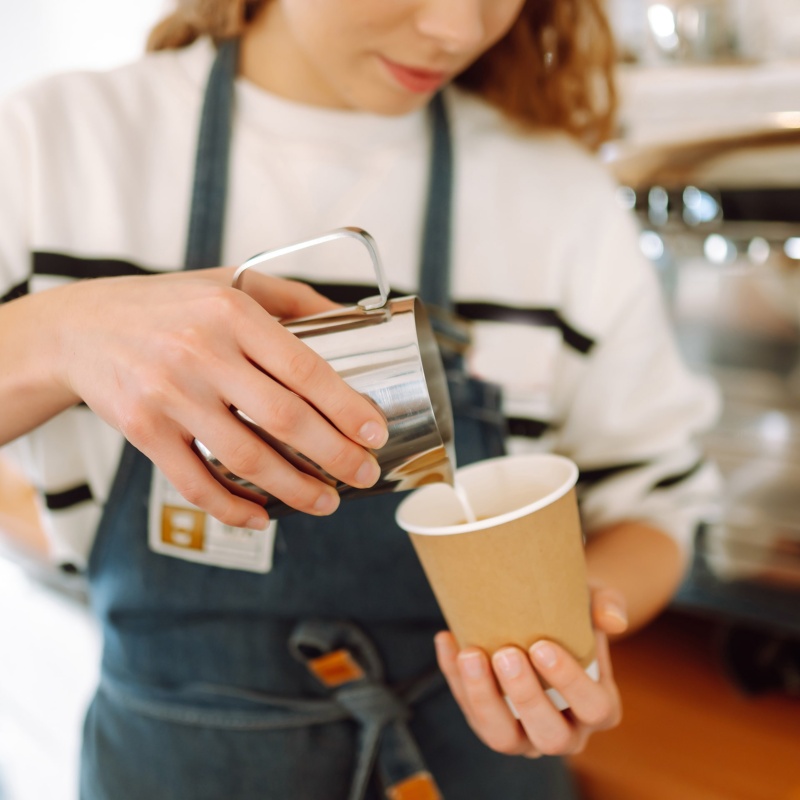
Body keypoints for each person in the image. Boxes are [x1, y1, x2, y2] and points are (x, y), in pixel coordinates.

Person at [0, 0, 721, 798]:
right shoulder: (49, 146)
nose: (457, 28)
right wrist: (54, 337)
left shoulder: (560, 198)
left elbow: (656, 501)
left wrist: (560, 627)